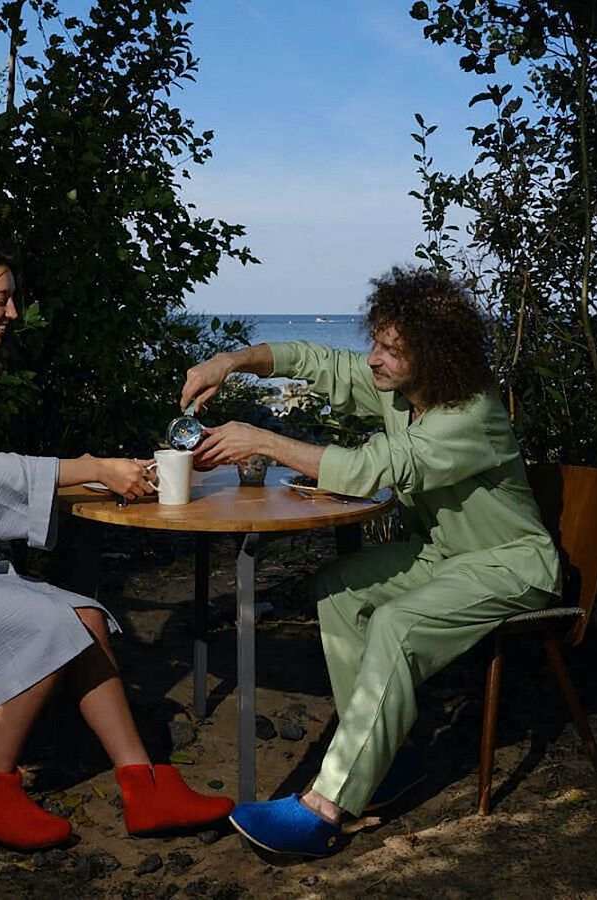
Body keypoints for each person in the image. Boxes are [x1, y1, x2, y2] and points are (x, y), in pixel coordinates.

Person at [0, 238, 234, 851]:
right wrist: (92, 466)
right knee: (52, 624)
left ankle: (144, 785)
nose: (13, 312)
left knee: (87, 617)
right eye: (0, 299)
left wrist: (106, 478)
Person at [179, 266, 560, 857]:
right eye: (376, 342)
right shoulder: (402, 392)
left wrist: (265, 441)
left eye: (392, 350)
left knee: (395, 623)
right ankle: (388, 756)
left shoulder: (471, 415)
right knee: (339, 587)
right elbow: (316, 361)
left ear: (434, 357)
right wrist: (228, 361)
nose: (374, 359)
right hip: (442, 555)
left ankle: (326, 806)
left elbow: (367, 470)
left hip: (509, 565)